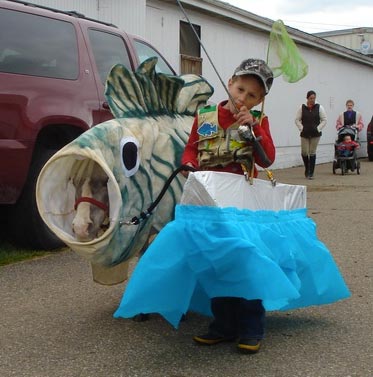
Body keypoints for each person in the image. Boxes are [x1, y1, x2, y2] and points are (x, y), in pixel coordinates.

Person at [181, 58, 276, 353]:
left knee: (246, 263)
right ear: (230, 81)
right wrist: (187, 163)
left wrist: (255, 131)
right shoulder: (206, 115)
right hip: (210, 204)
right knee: (217, 264)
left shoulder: (259, 121)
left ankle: (251, 327)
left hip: (244, 206)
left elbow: (267, 159)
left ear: (260, 100)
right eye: (240, 89)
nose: (243, 98)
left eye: (251, 95)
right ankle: (222, 325)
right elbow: (191, 148)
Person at [295, 90, 327, 179]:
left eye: (314, 98)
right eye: (310, 98)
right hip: (304, 133)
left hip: (315, 134)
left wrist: (318, 128)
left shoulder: (319, 107)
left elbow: (324, 120)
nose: (312, 100)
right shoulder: (302, 107)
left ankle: (311, 172)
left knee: (312, 152)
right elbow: (297, 119)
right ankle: (307, 168)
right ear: (307, 98)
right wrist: (301, 128)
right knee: (304, 152)